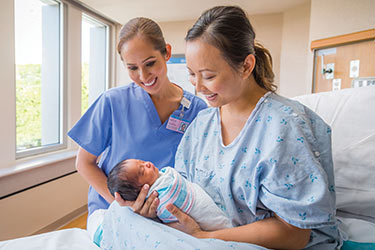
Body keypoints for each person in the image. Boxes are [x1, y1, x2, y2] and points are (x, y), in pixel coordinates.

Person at [99, 6, 342, 250]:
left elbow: (296, 234)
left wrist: (203, 237)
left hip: (248, 242)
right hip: (198, 234)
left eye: (208, 75)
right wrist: (155, 211)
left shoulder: (284, 127)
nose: (198, 87)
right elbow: (183, 192)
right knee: (120, 215)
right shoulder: (202, 125)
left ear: (246, 66)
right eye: (192, 74)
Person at [67, 17, 207, 235]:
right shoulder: (112, 102)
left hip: (166, 216)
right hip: (111, 211)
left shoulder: (196, 110)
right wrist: (124, 206)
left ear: (167, 53)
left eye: (150, 63)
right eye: (133, 68)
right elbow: (84, 163)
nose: (143, 76)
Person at [107, 159, 232, 229]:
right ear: (141, 190)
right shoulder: (163, 193)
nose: (147, 164)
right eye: (142, 171)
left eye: (142, 162)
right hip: (203, 216)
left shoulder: (162, 177)